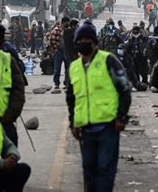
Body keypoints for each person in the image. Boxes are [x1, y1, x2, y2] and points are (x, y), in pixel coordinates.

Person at [66, 21, 131, 192]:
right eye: (80, 40)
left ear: (95, 42)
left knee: (104, 170)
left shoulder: (109, 60)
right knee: (89, 171)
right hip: (85, 129)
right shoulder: (74, 67)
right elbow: (71, 98)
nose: (84, 43)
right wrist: (73, 122)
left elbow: (124, 89)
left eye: (88, 39)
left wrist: (122, 117)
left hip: (108, 127)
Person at [48, 17, 70, 92]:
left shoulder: (68, 30)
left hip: (67, 51)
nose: (68, 24)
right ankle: (56, 84)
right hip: (58, 51)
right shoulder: (56, 30)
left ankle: (66, 83)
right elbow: (51, 40)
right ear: (64, 22)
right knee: (57, 68)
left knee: (68, 68)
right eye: (67, 23)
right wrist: (55, 50)